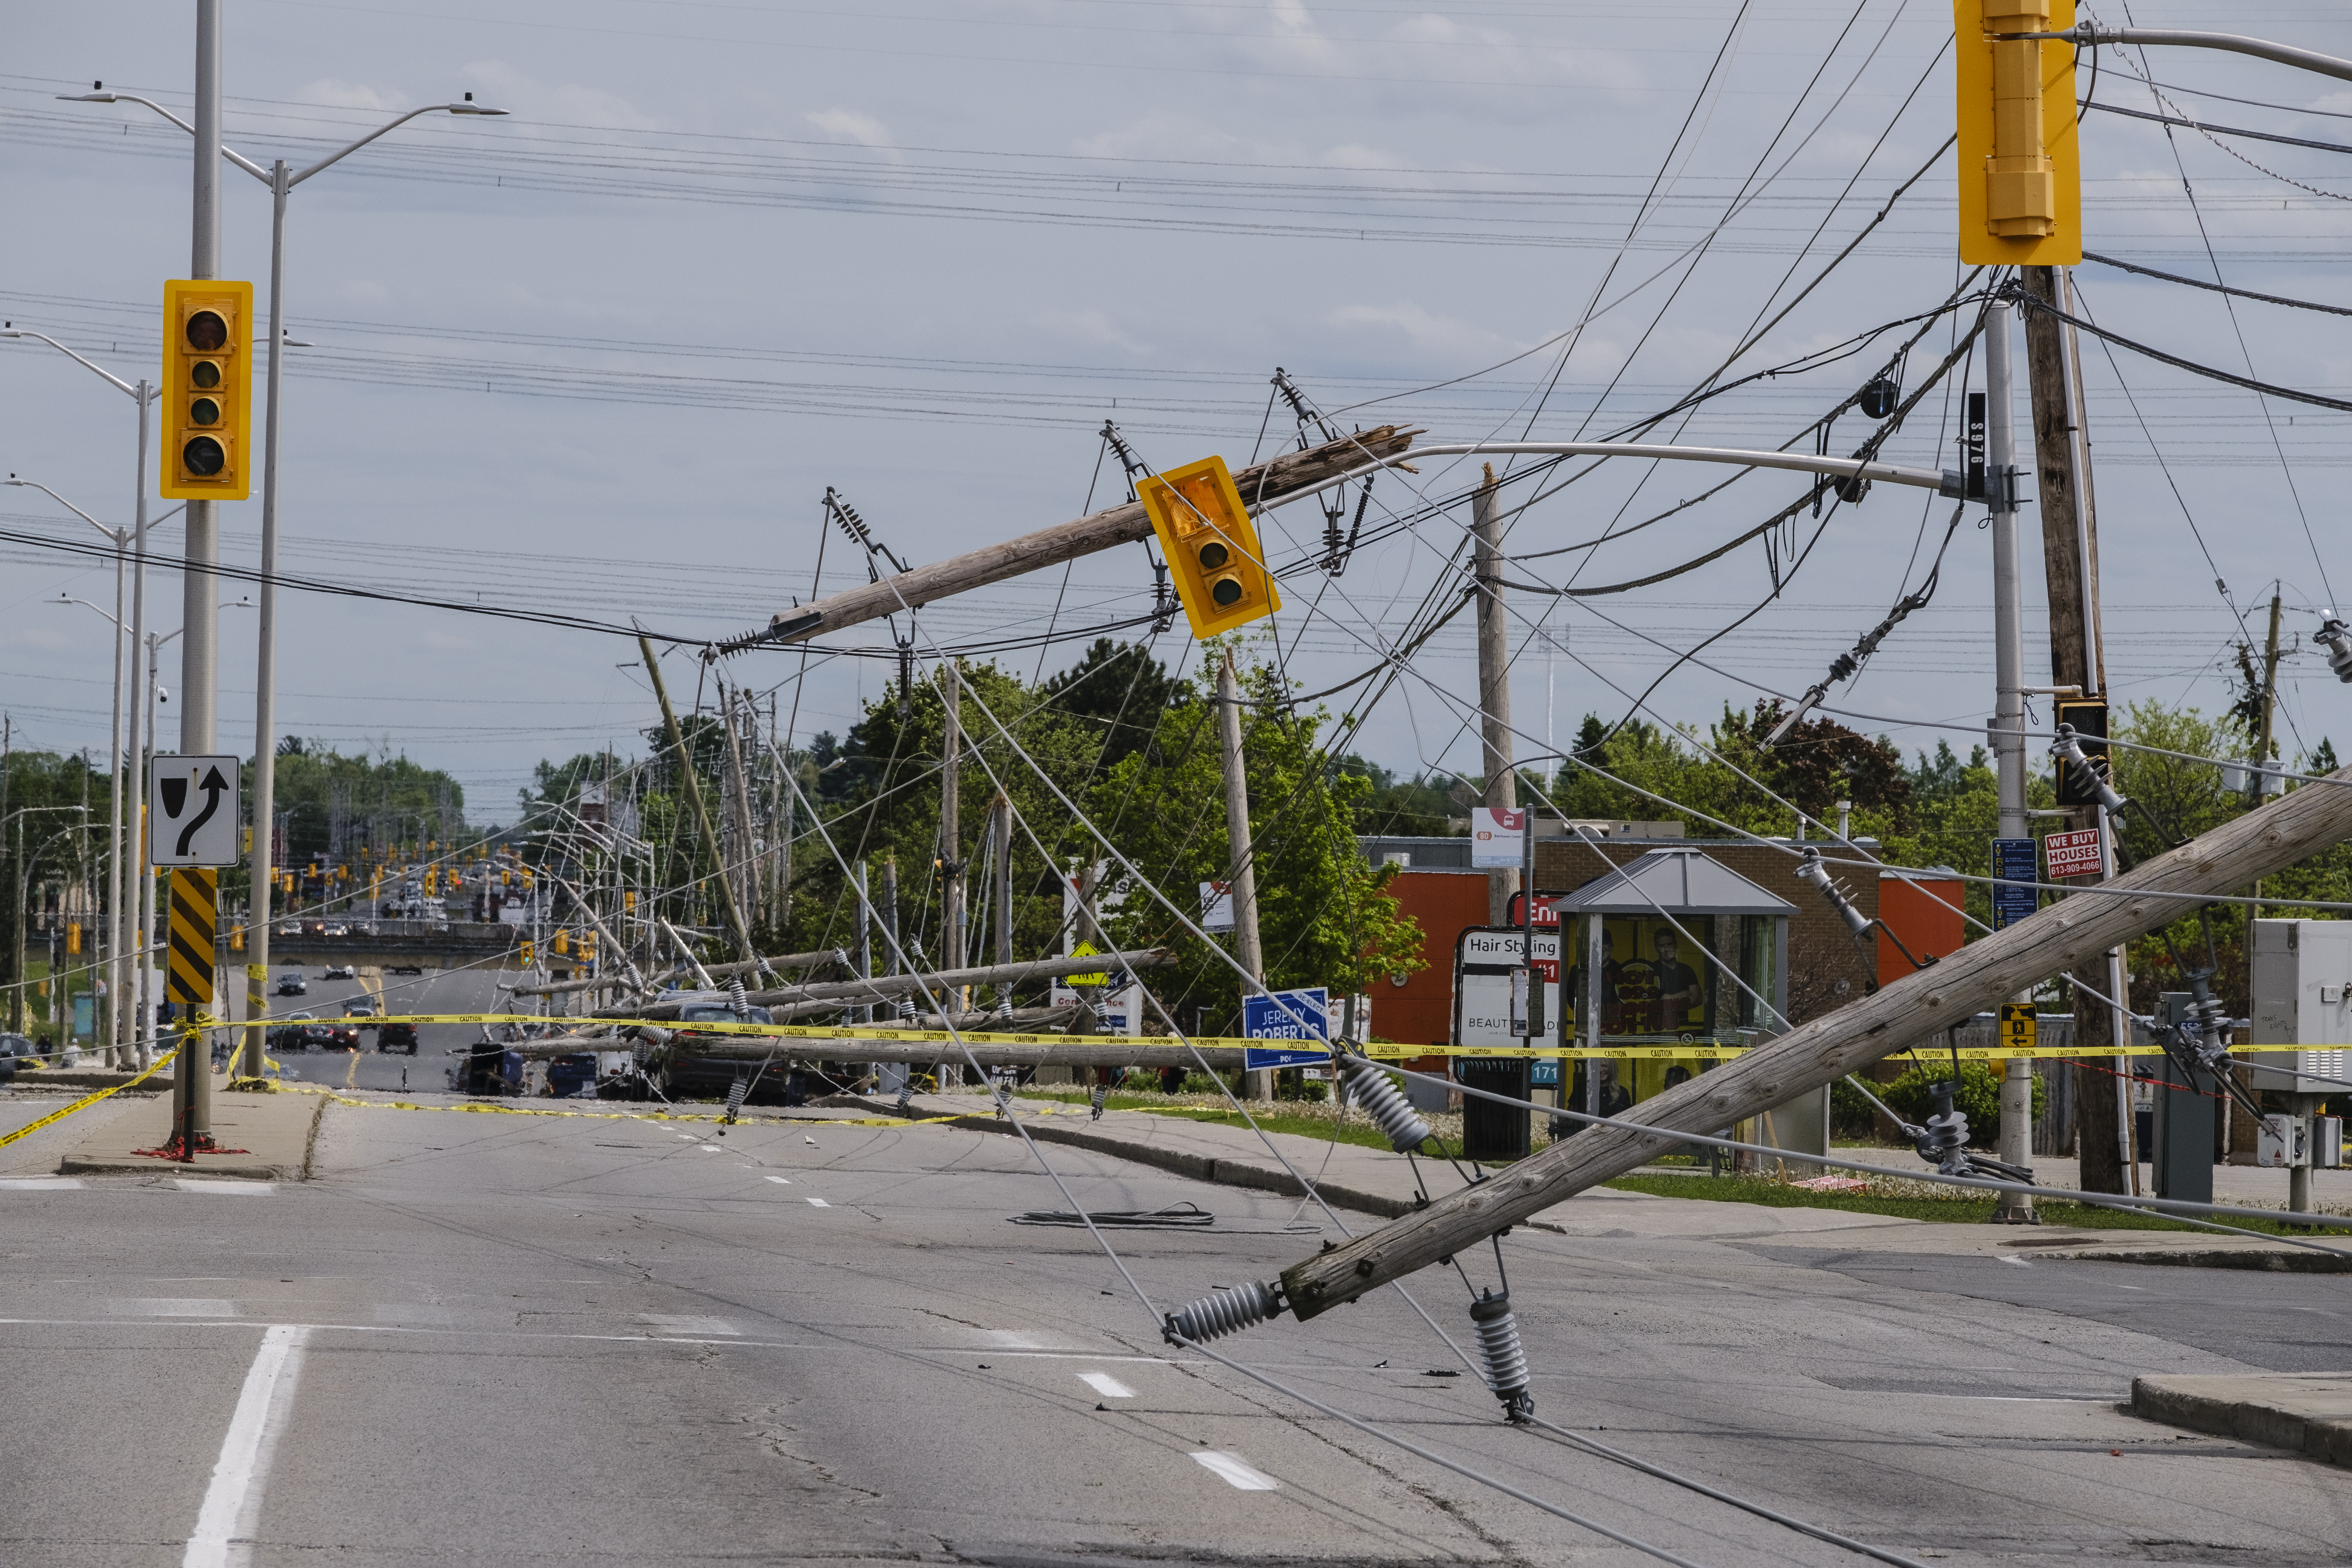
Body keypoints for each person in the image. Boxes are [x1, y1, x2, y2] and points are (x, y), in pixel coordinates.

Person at [1646, 929, 1705, 1034]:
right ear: (1656, 948)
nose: (1667, 949)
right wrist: (1684, 995)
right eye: (1662, 946)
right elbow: (1652, 1003)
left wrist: (1670, 1000)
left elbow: (1698, 998)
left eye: (1670, 944)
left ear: (1676, 945)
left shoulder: (1686, 970)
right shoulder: (1651, 970)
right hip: (1658, 1030)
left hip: (1682, 1028)